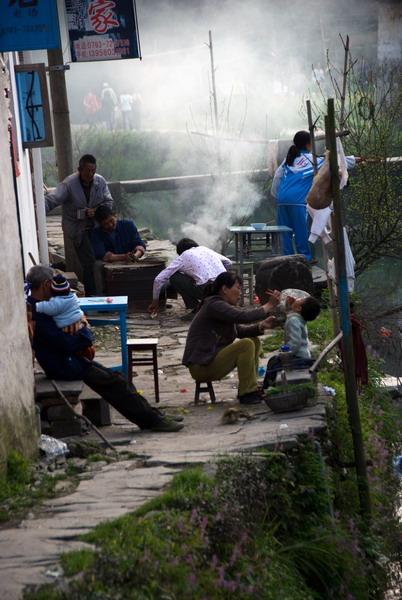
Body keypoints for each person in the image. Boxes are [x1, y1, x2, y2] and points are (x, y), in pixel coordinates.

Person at [26, 265, 184, 433]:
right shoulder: (38, 312)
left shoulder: (42, 306)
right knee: (116, 384)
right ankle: (153, 421)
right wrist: (85, 335)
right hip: (64, 365)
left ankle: (154, 415)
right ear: (45, 284)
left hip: (69, 360)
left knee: (120, 379)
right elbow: (64, 343)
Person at [182, 271, 281, 405]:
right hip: (201, 366)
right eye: (238, 288)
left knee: (253, 340)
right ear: (224, 289)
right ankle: (247, 393)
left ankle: (250, 387)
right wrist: (269, 305)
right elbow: (243, 317)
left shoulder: (220, 306)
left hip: (210, 361)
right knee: (246, 344)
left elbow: (238, 331)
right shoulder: (214, 304)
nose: (240, 293)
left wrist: (262, 325)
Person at [271, 131, 358, 262]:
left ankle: (286, 259)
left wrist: (277, 195)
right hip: (297, 201)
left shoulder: (288, 159)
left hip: (282, 200)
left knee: (284, 232)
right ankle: (304, 259)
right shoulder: (315, 160)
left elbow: (277, 178)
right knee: (301, 231)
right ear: (308, 144)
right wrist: (356, 159)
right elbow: (339, 163)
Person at [45, 154, 113, 296]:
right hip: (78, 230)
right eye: (88, 170)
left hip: (97, 228)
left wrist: (95, 211)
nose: (91, 174)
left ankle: (106, 292)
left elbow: (108, 202)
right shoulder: (68, 184)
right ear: (79, 169)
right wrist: (36, 213)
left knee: (101, 258)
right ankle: (92, 295)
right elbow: (52, 200)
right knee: (88, 263)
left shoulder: (100, 182)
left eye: (93, 170)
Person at [148, 238, 232, 321]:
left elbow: (158, 279)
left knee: (174, 277)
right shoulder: (205, 249)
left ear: (181, 252)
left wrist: (155, 301)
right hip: (227, 290)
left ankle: (197, 308)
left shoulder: (184, 256)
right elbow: (228, 262)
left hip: (208, 290)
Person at [263, 294, 321, 388]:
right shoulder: (298, 318)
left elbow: (295, 342)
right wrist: (292, 304)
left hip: (297, 355)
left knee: (273, 363)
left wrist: (285, 354)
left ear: (298, 308)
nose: (298, 298)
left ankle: (268, 386)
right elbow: (289, 314)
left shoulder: (294, 320)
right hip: (303, 354)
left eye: (300, 299)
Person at [35, 273, 95, 361]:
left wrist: (38, 306)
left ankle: (80, 355)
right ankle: (85, 351)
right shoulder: (73, 296)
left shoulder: (57, 303)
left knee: (71, 341)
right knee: (80, 338)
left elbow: (50, 308)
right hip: (78, 321)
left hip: (68, 325)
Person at [92, 205, 146, 295]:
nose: (109, 225)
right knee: (97, 265)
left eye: (111, 221)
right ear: (100, 224)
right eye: (105, 224)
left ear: (114, 215)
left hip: (129, 261)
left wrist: (135, 256)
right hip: (110, 262)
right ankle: (103, 295)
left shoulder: (128, 225)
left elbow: (139, 244)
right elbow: (100, 253)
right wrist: (122, 257)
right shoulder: (96, 232)